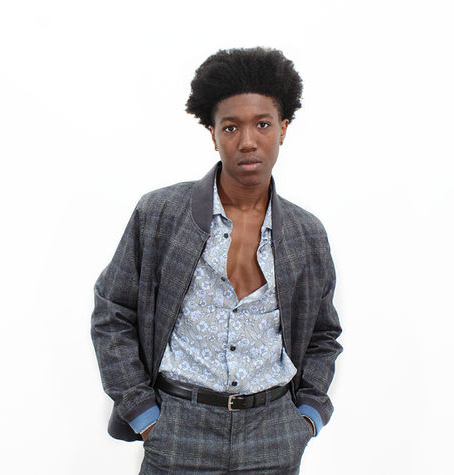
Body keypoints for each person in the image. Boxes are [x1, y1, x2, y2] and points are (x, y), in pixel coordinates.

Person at [91, 46, 343, 474]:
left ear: (283, 128)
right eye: (230, 127)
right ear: (213, 133)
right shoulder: (161, 214)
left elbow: (323, 334)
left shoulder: (307, 233)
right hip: (178, 428)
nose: (247, 141)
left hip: (273, 432)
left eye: (262, 124)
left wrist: (308, 415)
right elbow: (112, 312)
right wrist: (142, 413)